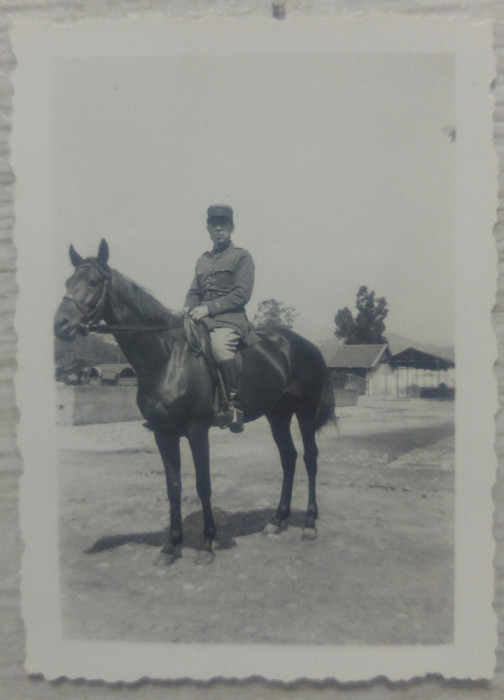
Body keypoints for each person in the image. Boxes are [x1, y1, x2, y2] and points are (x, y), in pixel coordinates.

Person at [184, 204, 255, 433]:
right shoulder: (202, 260)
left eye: (223, 225)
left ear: (231, 228)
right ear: (208, 229)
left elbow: (242, 294)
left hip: (229, 319)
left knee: (220, 347)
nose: (218, 229)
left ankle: (232, 406)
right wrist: (188, 307)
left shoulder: (241, 257)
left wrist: (209, 309)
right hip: (202, 317)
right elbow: (195, 292)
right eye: (214, 225)